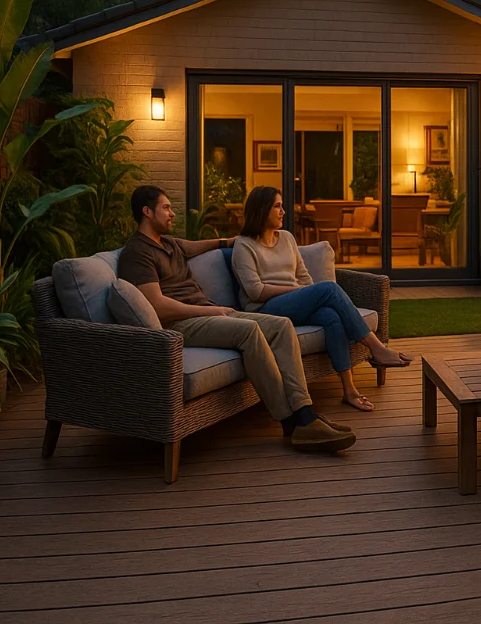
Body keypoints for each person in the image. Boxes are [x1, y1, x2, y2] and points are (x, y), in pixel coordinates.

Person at [118, 185, 355, 452]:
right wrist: (210, 310)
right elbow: (159, 307)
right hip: (180, 324)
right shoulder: (137, 253)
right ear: (146, 212)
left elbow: (195, 246)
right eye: (166, 208)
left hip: (207, 312)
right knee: (249, 331)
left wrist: (229, 242)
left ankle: (305, 411)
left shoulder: (169, 243)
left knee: (281, 325)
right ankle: (293, 421)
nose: (172, 213)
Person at [231, 186, 416, 412]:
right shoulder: (244, 245)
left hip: (293, 302)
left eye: (282, 206)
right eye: (277, 206)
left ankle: (349, 390)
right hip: (264, 310)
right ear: (261, 210)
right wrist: (298, 293)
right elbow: (255, 291)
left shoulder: (287, 238)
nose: (283, 212)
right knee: (328, 288)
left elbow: (303, 276)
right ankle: (376, 347)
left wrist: (307, 295)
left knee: (330, 316)